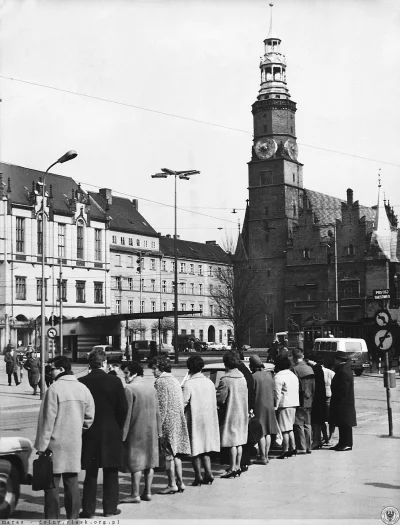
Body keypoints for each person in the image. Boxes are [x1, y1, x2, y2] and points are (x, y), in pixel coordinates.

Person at [34, 356, 95, 519]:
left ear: (62, 369)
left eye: (52, 368)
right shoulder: (83, 389)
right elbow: (89, 418)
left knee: (52, 486)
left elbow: (47, 421)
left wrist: (41, 446)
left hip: (54, 444)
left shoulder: (54, 389)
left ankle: (52, 520)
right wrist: (77, 432)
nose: (49, 371)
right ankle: (73, 519)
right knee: (72, 483)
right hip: (74, 443)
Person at [78, 347, 128, 518]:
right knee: (111, 472)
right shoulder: (115, 382)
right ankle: (110, 508)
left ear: (90, 363)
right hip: (111, 431)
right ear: (105, 362)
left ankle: (88, 509)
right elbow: (123, 409)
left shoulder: (81, 382)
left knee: (90, 473)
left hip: (89, 432)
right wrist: (117, 427)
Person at [120, 361, 161, 503]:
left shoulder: (129, 389)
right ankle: (148, 492)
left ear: (134, 373)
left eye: (126, 373)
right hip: (152, 430)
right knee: (149, 462)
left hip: (135, 431)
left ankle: (135, 494)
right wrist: (159, 431)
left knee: (136, 463)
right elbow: (157, 412)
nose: (124, 376)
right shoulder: (151, 388)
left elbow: (127, 414)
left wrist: (123, 435)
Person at [150, 355, 190, 494]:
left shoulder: (160, 382)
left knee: (168, 455)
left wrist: (158, 427)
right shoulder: (173, 379)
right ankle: (180, 482)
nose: (153, 372)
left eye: (154, 369)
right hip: (178, 420)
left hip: (167, 422)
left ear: (161, 368)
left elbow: (161, 406)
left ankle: (171, 484)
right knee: (176, 454)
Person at [182, 355, 220, 485]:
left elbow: (183, 403)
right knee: (206, 448)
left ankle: (198, 476)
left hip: (195, 420)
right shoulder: (209, 382)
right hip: (209, 419)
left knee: (195, 450)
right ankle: (208, 472)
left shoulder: (189, 384)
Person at [216, 351, 248, 478]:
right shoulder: (242, 377)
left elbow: (221, 399)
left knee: (231, 442)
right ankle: (238, 466)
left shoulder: (225, 379)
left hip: (230, 413)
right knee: (239, 441)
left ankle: (233, 467)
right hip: (242, 412)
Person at [249, 355, 278, 464]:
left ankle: (262, 456)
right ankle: (266, 455)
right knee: (268, 431)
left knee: (260, 432)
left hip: (258, 405)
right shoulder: (269, 375)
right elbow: (274, 392)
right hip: (269, 405)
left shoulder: (253, 377)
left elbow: (252, 394)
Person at [329, 351, 357, 451]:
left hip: (343, 402)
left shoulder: (343, 371)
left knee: (346, 424)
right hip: (344, 402)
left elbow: (342, 388)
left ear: (338, 359)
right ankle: (342, 442)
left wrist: (337, 398)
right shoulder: (344, 369)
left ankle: (347, 443)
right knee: (342, 423)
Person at [274, 356, 299, 459]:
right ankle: (293, 447)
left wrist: (275, 405)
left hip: (284, 404)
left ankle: (285, 450)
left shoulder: (278, 377)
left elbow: (277, 393)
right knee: (290, 428)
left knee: (284, 429)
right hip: (294, 403)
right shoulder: (293, 375)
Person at [291, 349, 315, 454]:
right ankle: (309, 445)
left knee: (299, 423)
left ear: (294, 358)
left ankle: (301, 446)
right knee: (308, 423)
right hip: (309, 398)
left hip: (300, 398)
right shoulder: (310, 368)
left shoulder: (294, 369)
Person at [310, 359, 328, 449]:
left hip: (316, 400)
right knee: (320, 421)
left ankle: (316, 441)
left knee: (315, 421)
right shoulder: (321, 370)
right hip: (322, 399)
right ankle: (323, 438)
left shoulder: (316, 370)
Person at [321, 360, 335, 445]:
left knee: (330, 419)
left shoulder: (330, 373)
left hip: (328, 398)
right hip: (323, 398)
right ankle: (326, 437)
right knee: (323, 419)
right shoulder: (330, 372)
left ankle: (329, 437)